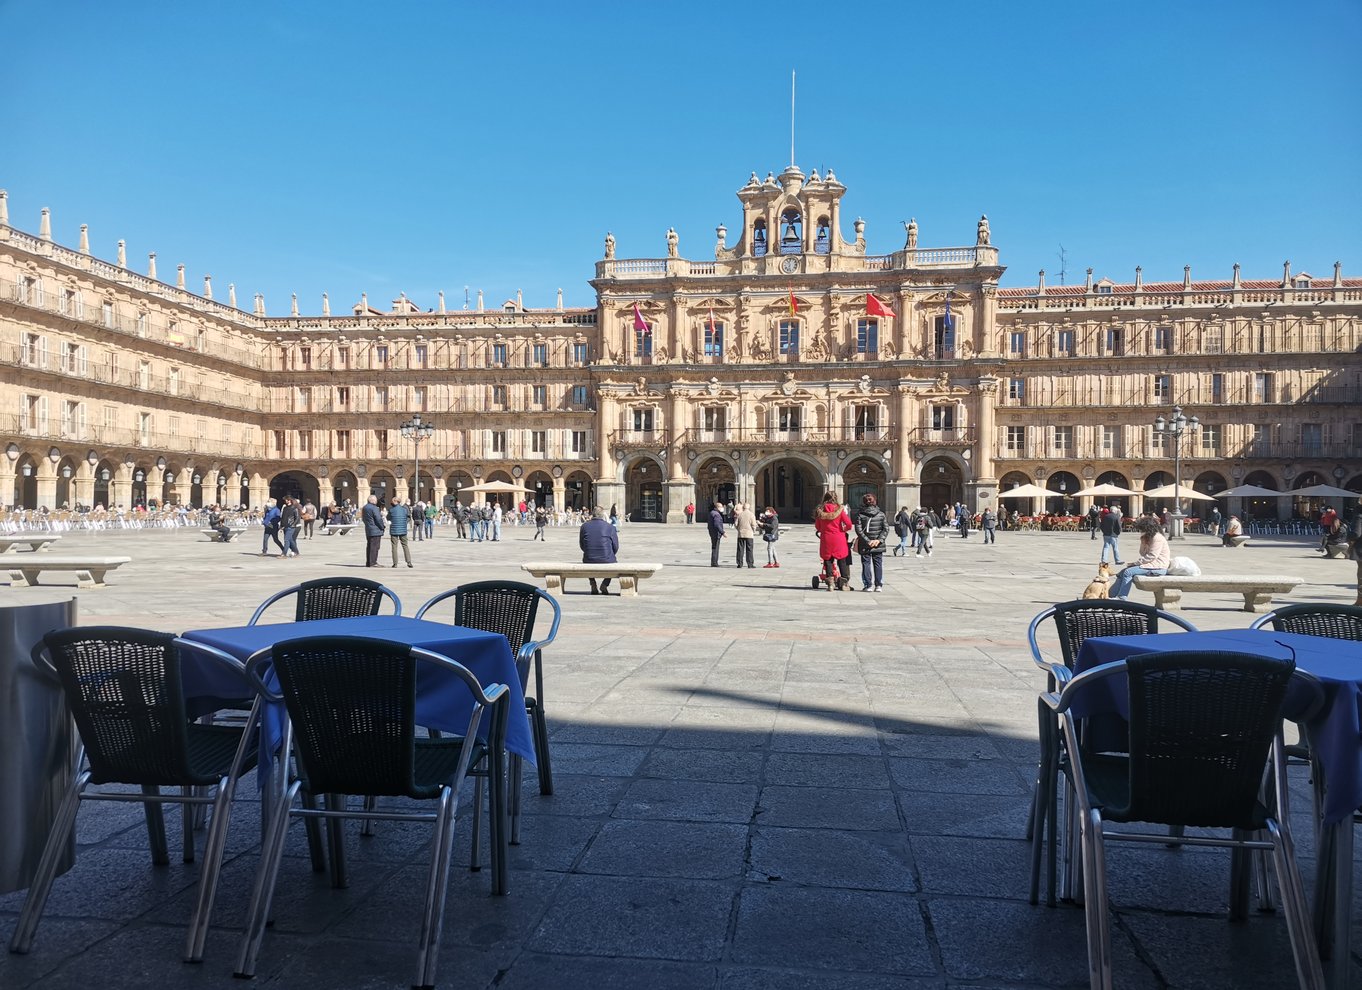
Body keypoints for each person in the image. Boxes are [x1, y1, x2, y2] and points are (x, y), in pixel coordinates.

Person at [1110, 519, 1171, 599]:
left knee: (1128, 572)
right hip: (1151, 565)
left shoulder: (1157, 538)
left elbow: (1152, 556)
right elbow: (1142, 553)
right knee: (1122, 572)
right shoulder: (1149, 537)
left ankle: (1122, 597)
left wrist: (1136, 563)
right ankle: (1111, 595)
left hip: (1158, 566)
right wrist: (1143, 543)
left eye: (1142, 530)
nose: (1141, 531)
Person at [814, 492, 853, 590]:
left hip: (826, 538)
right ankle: (844, 583)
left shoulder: (820, 510)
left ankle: (830, 583)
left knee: (828, 560)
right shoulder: (839, 510)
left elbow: (817, 526)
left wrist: (823, 529)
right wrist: (843, 530)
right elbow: (848, 523)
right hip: (839, 537)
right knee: (842, 560)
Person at [580, 506, 619, 595]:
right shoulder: (610, 527)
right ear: (602, 515)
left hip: (589, 558)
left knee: (587, 559)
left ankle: (593, 583)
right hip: (607, 558)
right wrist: (610, 554)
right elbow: (616, 546)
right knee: (614, 562)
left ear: (592, 514)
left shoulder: (584, 526)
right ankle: (605, 584)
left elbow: (582, 545)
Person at [854, 493, 888, 591]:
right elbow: (886, 529)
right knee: (878, 564)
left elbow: (858, 530)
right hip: (878, 544)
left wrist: (868, 541)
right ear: (875, 501)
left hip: (865, 544)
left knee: (866, 563)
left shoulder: (860, 515)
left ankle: (868, 585)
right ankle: (878, 585)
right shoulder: (881, 514)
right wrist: (879, 540)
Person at [387, 495, 413, 568]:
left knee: (394, 546)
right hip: (403, 530)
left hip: (394, 530)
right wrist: (404, 523)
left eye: (392, 501)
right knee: (405, 545)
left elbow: (388, 518)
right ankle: (409, 562)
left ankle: (395, 563)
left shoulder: (391, 510)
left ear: (395, 502)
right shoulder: (404, 509)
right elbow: (409, 517)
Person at [361, 494, 385, 567]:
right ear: (373, 500)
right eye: (376, 499)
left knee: (369, 546)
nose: (377, 501)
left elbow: (363, 518)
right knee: (375, 547)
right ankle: (373, 562)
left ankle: (368, 562)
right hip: (376, 530)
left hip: (368, 529)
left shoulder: (364, 508)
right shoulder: (375, 508)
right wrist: (382, 527)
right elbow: (378, 519)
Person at [734, 502, 757, 568]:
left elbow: (736, 524)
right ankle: (750, 564)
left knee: (740, 549)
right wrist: (753, 531)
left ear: (743, 507)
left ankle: (739, 563)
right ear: (749, 507)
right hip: (749, 534)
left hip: (741, 534)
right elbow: (754, 524)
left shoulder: (740, 514)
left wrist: (738, 529)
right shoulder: (751, 515)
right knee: (749, 549)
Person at [706, 501, 726, 566]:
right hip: (716, 533)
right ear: (717, 507)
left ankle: (713, 562)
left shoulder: (711, 513)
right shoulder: (716, 514)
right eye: (721, 507)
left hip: (712, 532)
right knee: (715, 548)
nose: (722, 508)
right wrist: (722, 532)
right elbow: (717, 524)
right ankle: (714, 562)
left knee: (714, 547)